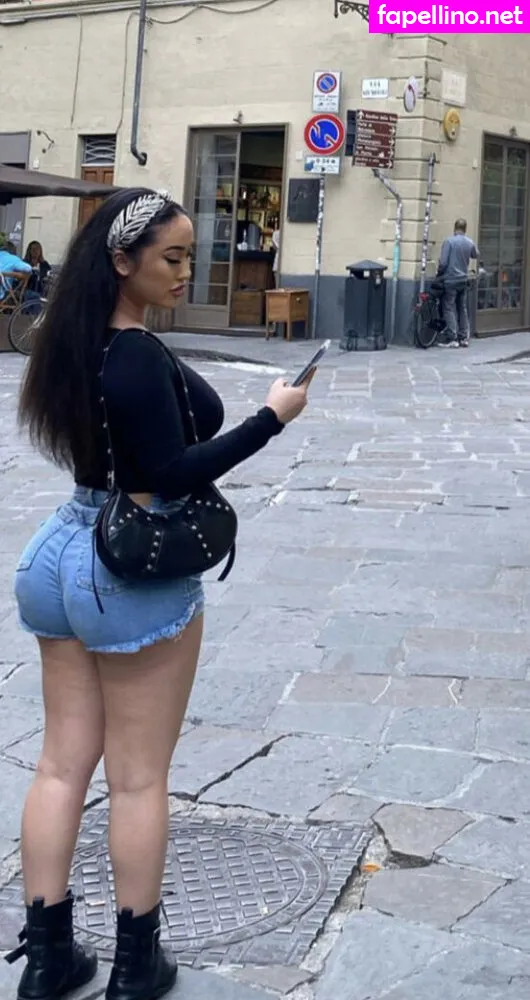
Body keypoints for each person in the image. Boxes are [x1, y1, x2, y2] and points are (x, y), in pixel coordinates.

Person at [5, 188, 313, 1000]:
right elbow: (170, 472)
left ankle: (48, 960)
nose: (185, 272)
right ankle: (136, 967)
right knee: (138, 779)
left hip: (62, 548)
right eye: (171, 258)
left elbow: (165, 420)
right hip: (127, 563)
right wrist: (272, 418)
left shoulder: (73, 342)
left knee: (59, 765)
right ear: (121, 260)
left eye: (188, 257)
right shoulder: (134, 353)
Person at [437, 217, 478, 348]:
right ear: (465, 229)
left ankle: (452, 336)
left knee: (448, 307)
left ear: (454, 228)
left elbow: (443, 263)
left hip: (450, 279)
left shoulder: (449, 242)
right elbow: (475, 254)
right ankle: (464, 337)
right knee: (462, 308)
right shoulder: (469, 242)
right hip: (463, 279)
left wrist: (439, 272)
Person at [0, 233, 32, 302]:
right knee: (35, 296)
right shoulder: (13, 259)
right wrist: (17, 274)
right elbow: (28, 268)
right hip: (3, 296)